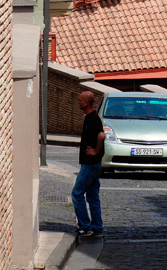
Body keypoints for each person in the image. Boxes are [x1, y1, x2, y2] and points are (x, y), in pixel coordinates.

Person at [71, 91, 105, 239]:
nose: (78, 102)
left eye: (80, 100)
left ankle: (85, 226)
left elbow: (102, 135)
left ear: (86, 103)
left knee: (77, 194)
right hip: (94, 164)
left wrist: (95, 151)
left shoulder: (93, 119)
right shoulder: (91, 117)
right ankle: (97, 227)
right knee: (92, 196)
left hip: (90, 164)